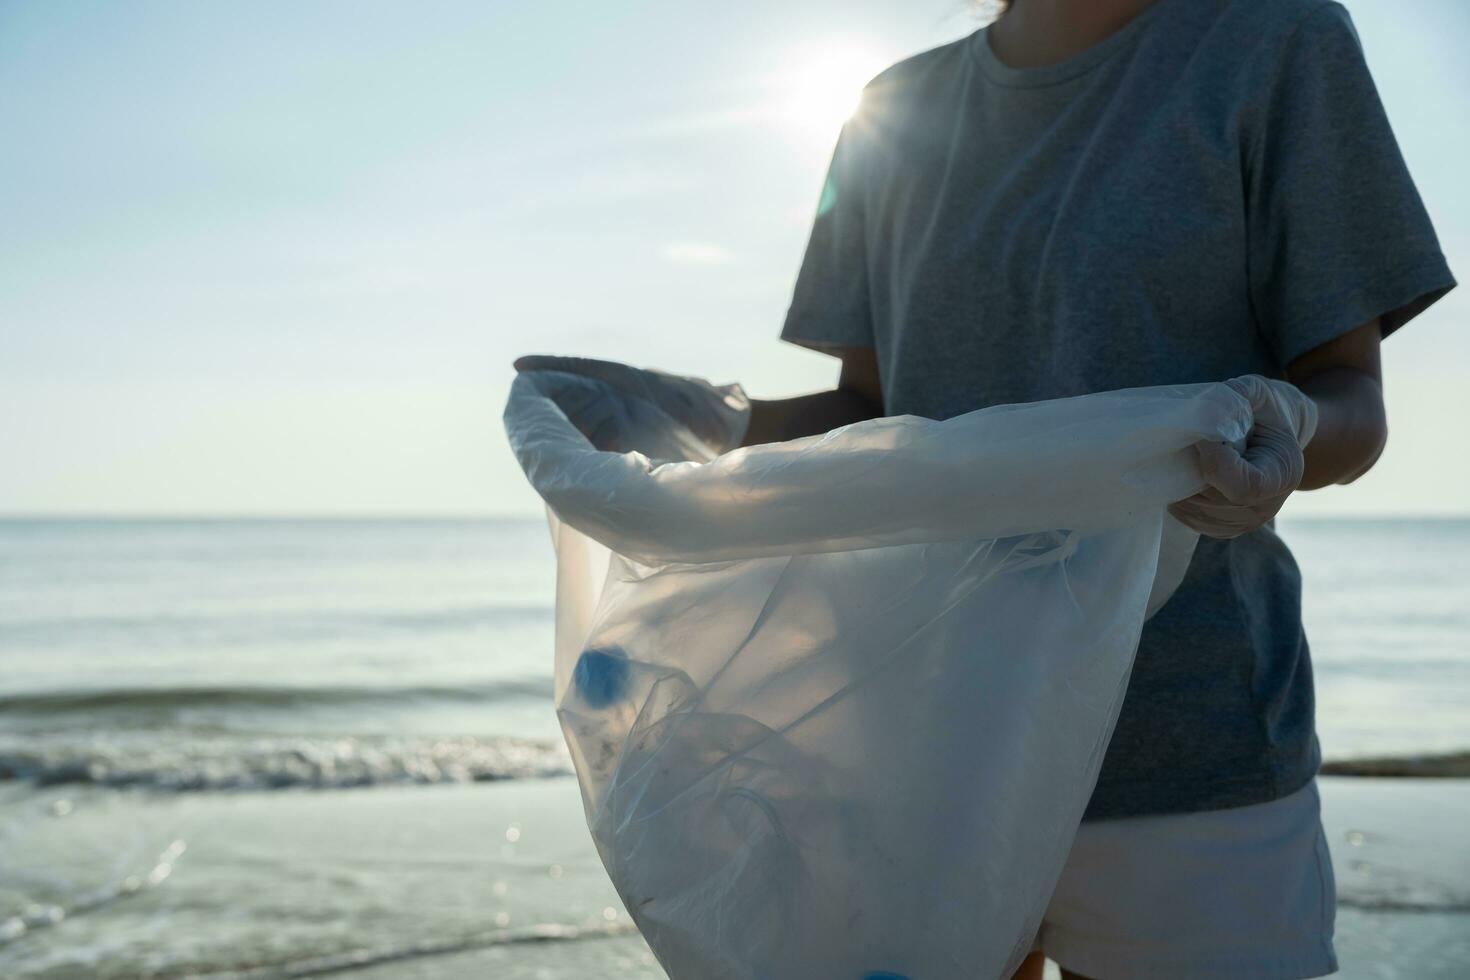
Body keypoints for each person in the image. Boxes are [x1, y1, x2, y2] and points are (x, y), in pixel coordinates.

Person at [738, 0, 1456, 977]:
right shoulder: (889, 106)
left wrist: (1287, 435)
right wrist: (691, 419)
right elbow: (872, 412)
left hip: (1189, 751)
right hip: (922, 742)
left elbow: (1349, 396)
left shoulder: (1277, 42)